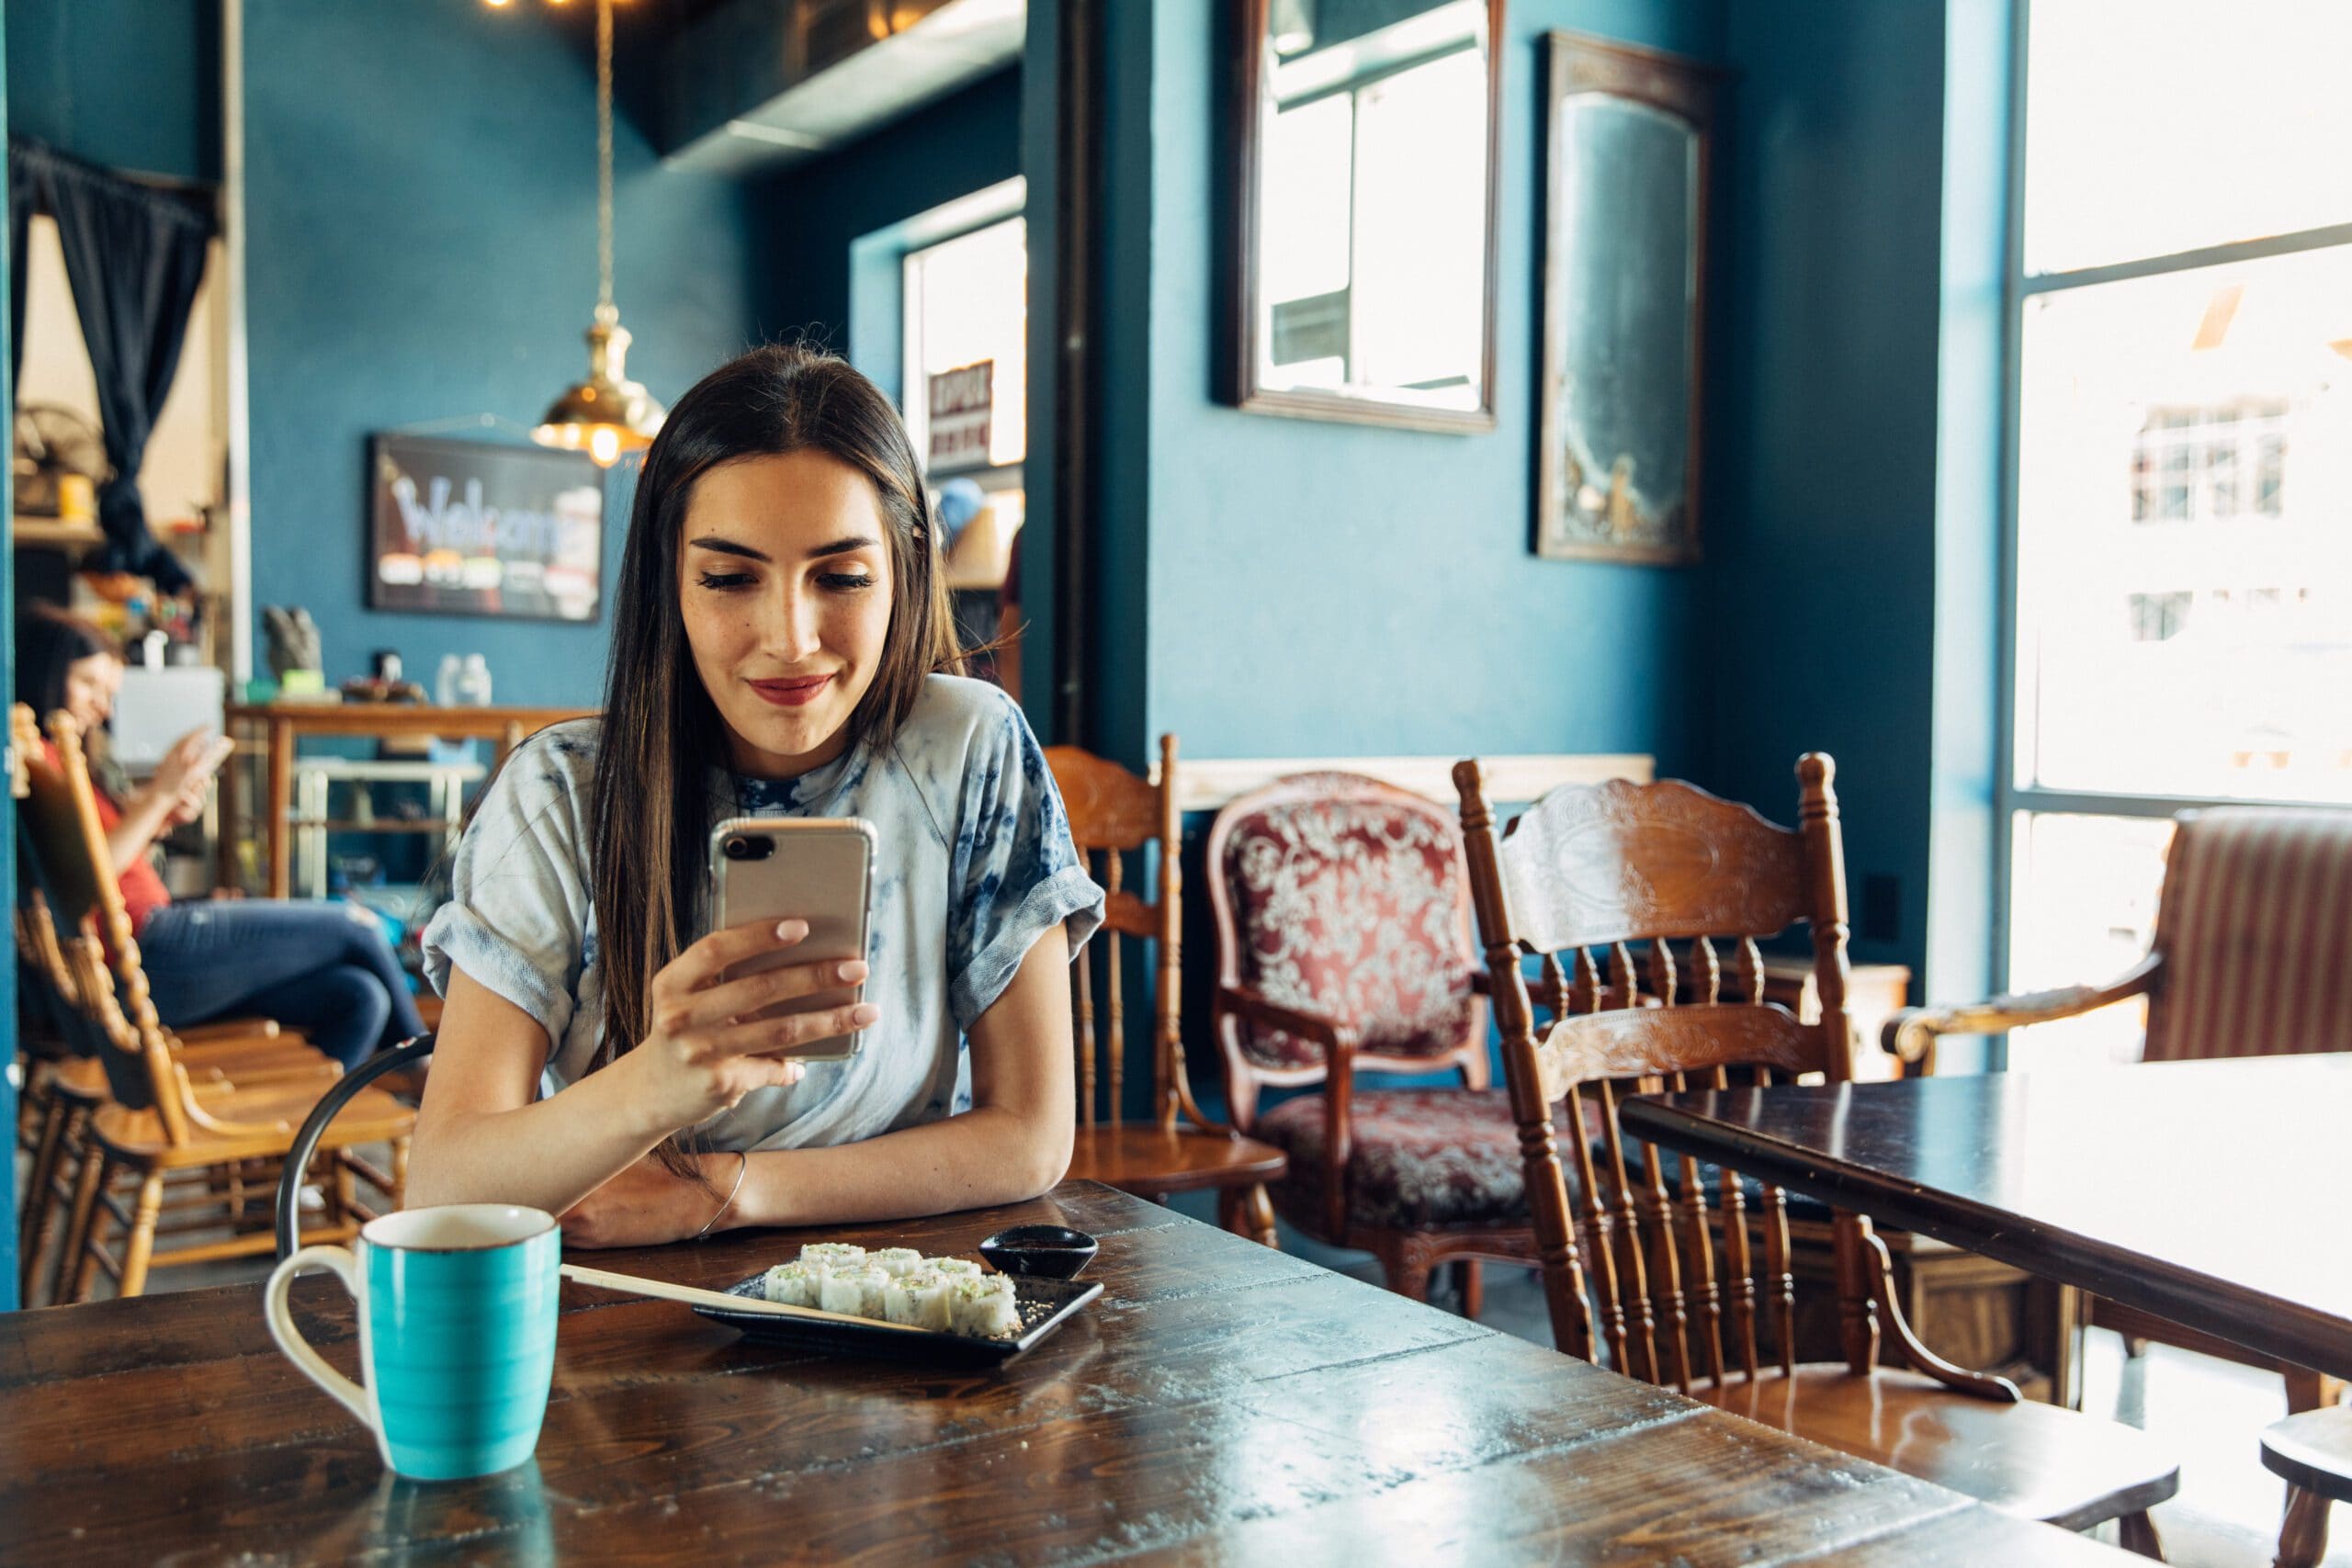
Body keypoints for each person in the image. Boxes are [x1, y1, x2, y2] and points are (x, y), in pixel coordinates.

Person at [407, 344, 1102, 1247]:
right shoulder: (562, 791)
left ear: (904, 570)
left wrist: (728, 1190)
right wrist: (657, 1083)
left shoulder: (969, 746)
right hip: (620, 1315)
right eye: (731, 578)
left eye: (841, 578)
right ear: (670, 583)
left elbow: (1032, 1138)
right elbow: (442, 1185)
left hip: (895, 1298)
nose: (791, 637)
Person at [15, 607, 428, 1067]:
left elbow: (106, 863)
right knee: (358, 925)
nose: (103, 707)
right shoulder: (46, 762)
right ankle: (431, 1079)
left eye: (108, 693)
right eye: (90, 684)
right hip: (152, 950)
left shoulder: (56, 762)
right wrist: (161, 793)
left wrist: (162, 815)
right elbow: (87, 880)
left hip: (153, 940)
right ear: (44, 670)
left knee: (359, 995)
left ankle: (299, 1135)